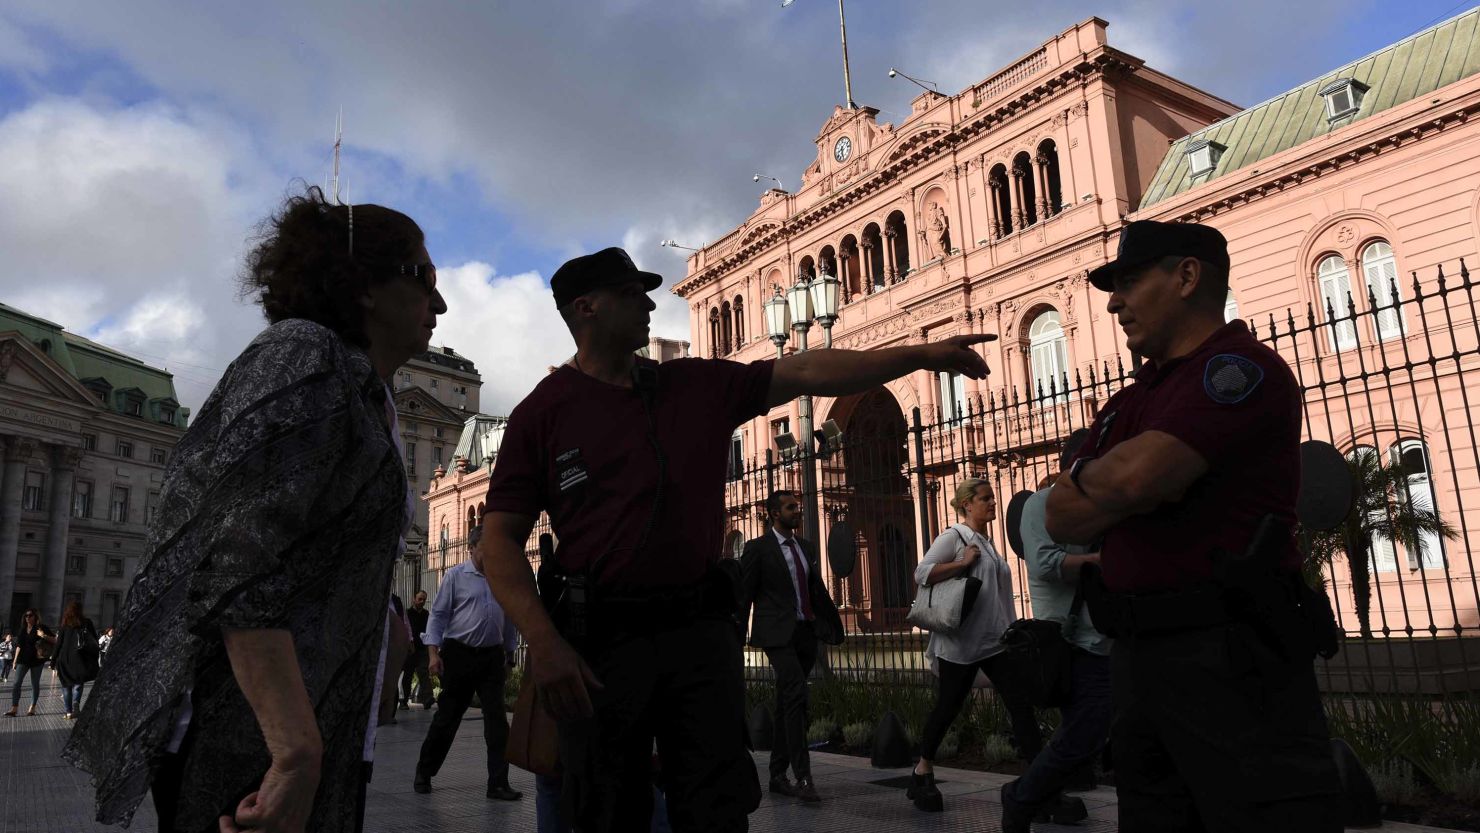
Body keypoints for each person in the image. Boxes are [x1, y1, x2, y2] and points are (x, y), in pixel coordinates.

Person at [479, 246, 995, 832]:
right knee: (607, 804)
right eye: (632, 294)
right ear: (586, 308)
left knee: (717, 805)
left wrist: (921, 355)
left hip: (697, 633)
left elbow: (804, 370)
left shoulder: (693, 385)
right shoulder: (541, 414)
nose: (650, 303)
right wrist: (542, 641)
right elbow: (497, 542)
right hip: (603, 641)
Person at [63, 185, 446, 833]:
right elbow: (239, 560)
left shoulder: (363, 388)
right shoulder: (300, 356)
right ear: (364, 286)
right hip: (246, 743)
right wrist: (294, 750)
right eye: (423, 276)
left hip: (308, 735)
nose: (439, 300)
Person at [1046, 220, 1343, 831]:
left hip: (1229, 660)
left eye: (1129, 280)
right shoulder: (1132, 399)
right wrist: (1123, 480)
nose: (1114, 300)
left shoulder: (1238, 370)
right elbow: (1058, 516)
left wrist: (1093, 474)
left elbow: (1133, 478)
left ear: (1186, 276)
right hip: (1139, 662)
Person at [907, 479, 1041, 812]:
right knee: (948, 707)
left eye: (993, 497)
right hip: (961, 644)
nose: (993, 503)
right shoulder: (954, 537)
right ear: (967, 504)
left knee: (1021, 707)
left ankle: (1041, 784)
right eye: (985, 499)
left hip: (995, 642)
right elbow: (921, 572)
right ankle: (922, 768)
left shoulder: (988, 543)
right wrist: (962, 563)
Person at [1000, 430, 1108, 832]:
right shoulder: (1039, 505)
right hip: (1069, 637)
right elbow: (1043, 563)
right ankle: (1025, 795)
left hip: (1108, 634)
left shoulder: (1103, 507)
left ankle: (1041, 795)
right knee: (1086, 730)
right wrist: (1102, 560)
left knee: (1092, 731)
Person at [738, 489, 842, 803]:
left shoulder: (806, 547)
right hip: (776, 635)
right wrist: (736, 638)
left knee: (788, 703)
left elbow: (813, 589)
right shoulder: (758, 549)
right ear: (773, 513)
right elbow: (744, 596)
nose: (797, 511)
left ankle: (777, 775)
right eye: (790, 507)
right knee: (796, 692)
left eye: (797, 506)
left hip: (804, 633)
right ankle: (803, 776)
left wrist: (824, 623)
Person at [413, 525, 523, 801]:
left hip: (490, 657)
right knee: (447, 718)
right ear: (471, 548)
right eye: (485, 546)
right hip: (459, 654)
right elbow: (437, 617)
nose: (491, 551)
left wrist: (509, 656)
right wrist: (433, 654)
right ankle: (424, 772)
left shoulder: (501, 577)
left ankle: (498, 783)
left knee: (497, 721)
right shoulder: (455, 576)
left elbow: (509, 619)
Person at [53, 600, 101, 720]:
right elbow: (94, 640)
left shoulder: (65, 624)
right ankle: (76, 703)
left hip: (65, 658)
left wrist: (53, 661)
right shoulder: (87, 622)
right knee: (78, 683)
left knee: (66, 686)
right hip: (80, 658)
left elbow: (58, 644)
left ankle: (68, 712)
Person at [4, 610, 55, 716]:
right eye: (26, 615)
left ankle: (32, 707)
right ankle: (14, 708)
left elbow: (55, 640)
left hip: (37, 660)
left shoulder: (41, 627)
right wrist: (15, 660)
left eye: (30, 615)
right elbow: (19, 645)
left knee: (34, 684)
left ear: (35, 617)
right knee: (16, 683)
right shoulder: (23, 629)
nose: (27, 617)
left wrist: (43, 635)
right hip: (23, 659)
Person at [400, 590, 434, 710]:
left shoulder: (426, 615)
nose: (422, 601)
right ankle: (404, 700)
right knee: (408, 675)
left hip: (422, 648)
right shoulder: (407, 614)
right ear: (413, 599)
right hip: (410, 649)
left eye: (424, 599)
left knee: (424, 672)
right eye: (420, 599)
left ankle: (428, 698)